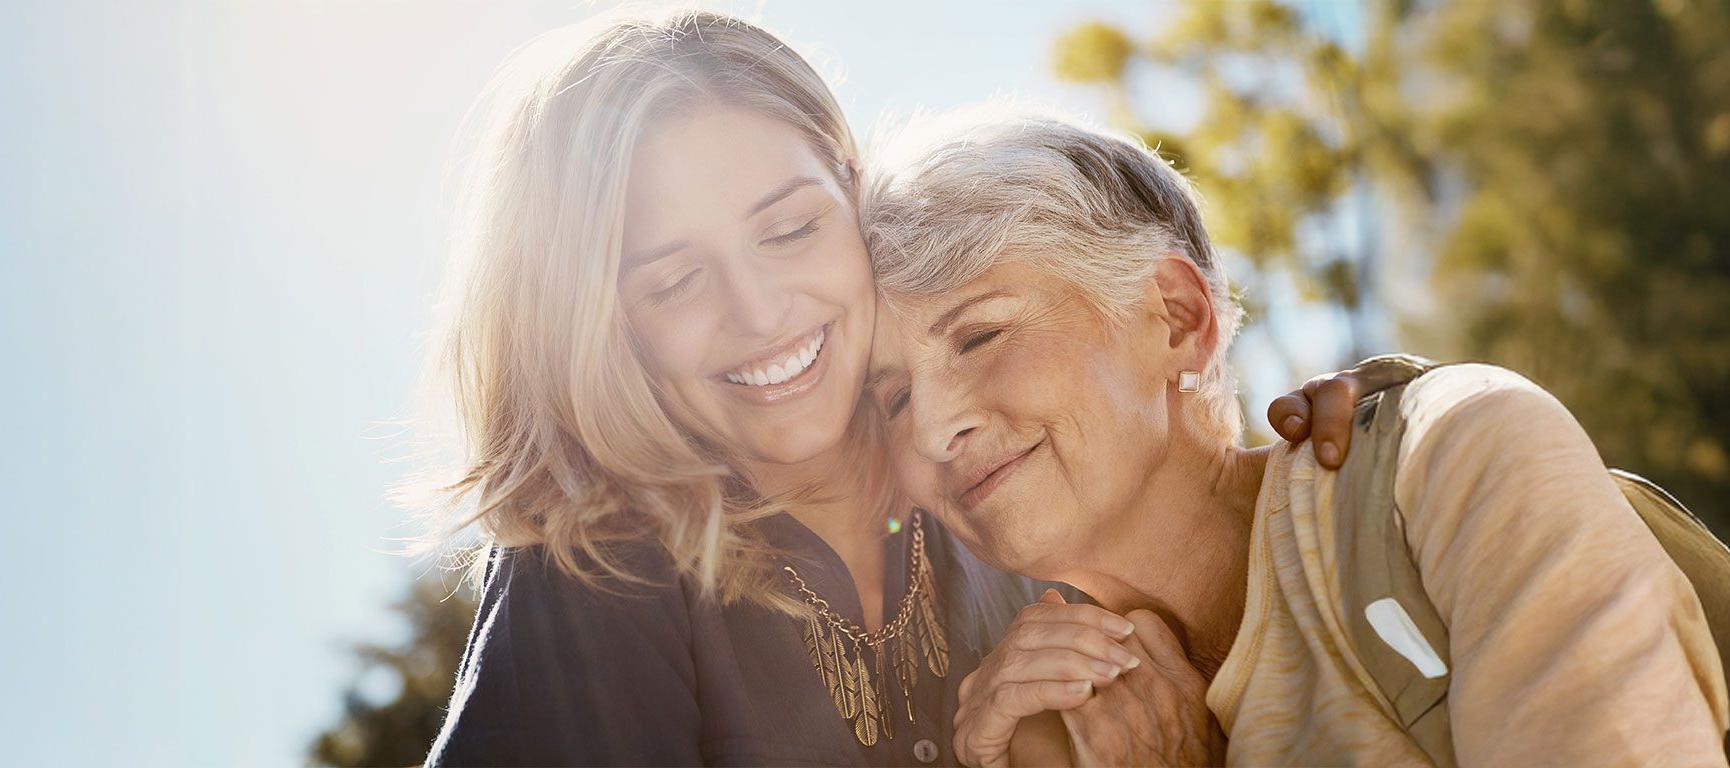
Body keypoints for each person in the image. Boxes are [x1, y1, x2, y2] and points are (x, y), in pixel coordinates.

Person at [415, 12, 1372, 766]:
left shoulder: (1021, 507)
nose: (759, 313)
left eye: (789, 229)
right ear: (602, 328)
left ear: (852, 196)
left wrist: (1365, 460)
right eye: (672, 281)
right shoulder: (593, 576)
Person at [860, 104, 1730, 766]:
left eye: (980, 336)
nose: (935, 428)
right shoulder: (1037, 725)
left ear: (1177, 316)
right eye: (892, 399)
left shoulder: (1454, 458)